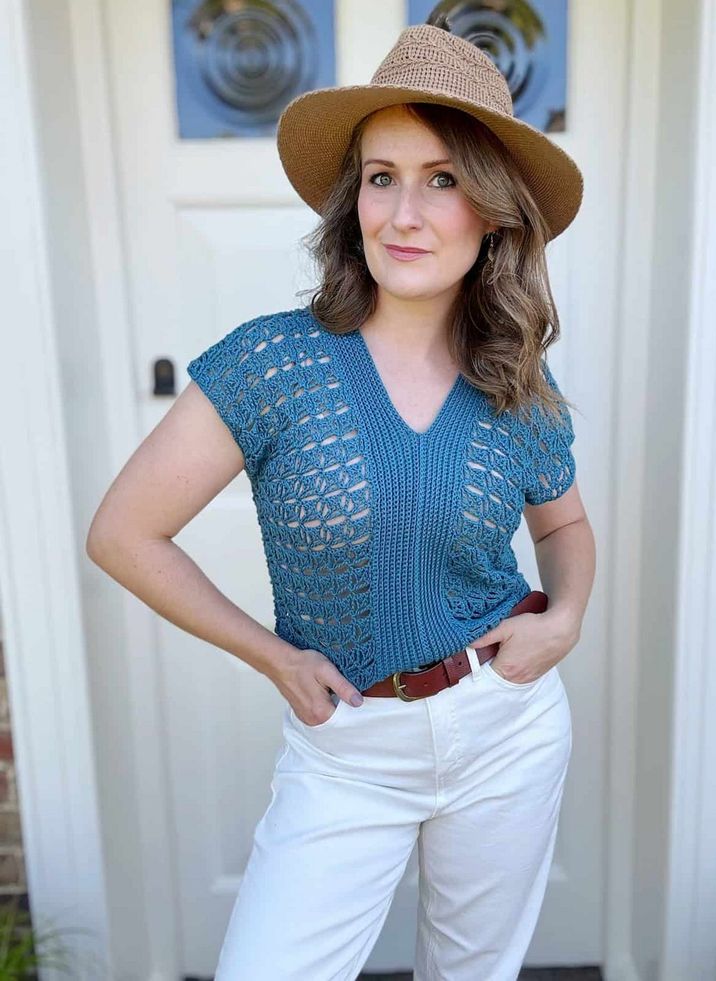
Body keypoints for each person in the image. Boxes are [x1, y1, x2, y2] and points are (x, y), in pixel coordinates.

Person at [87, 21, 596, 981]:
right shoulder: (273, 362)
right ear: (352, 197)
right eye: (380, 175)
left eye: (443, 179)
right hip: (348, 749)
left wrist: (564, 617)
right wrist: (274, 656)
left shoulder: (514, 375)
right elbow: (123, 532)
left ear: (491, 211)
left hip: (507, 730)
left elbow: (564, 524)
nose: (404, 212)